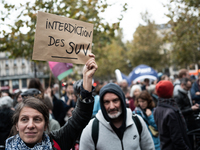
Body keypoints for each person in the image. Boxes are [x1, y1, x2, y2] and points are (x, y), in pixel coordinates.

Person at [5, 53, 98, 150]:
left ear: (45, 125)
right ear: (16, 125)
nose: (30, 125)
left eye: (37, 119)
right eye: (24, 119)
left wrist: (87, 79)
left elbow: (80, 117)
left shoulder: (57, 142)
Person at [79, 83, 155, 150]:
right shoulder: (91, 129)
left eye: (115, 100)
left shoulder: (137, 122)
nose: (111, 107)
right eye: (106, 102)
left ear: (122, 101)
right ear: (102, 104)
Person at [154, 80, 192, 150]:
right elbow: (177, 138)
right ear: (169, 92)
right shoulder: (171, 111)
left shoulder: (157, 109)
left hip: (165, 146)